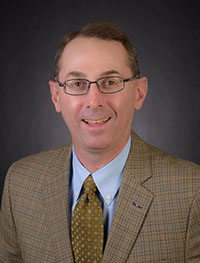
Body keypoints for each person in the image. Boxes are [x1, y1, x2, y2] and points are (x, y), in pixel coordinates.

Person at [0, 22, 200, 263]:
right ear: (56, 96)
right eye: (77, 84)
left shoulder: (191, 192)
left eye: (111, 82)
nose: (94, 101)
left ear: (139, 92)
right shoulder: (20, 183)